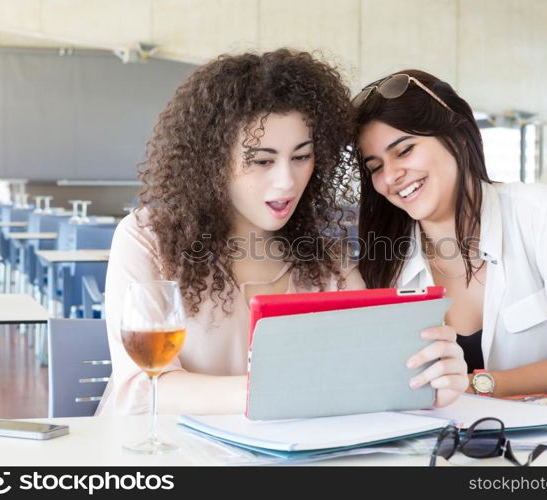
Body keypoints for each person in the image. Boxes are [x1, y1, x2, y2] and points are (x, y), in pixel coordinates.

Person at [97, 52, 466, 416]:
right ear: (212, 161)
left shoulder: (326, 261)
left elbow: (373, 369)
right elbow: (142, 391)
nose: (287, 181)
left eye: (302, 156)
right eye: (262, 161)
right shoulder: (148, 239)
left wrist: (427, 375)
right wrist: (290, 390)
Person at [351, 70, 547, 397]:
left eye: (404, 150)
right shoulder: (386, 262)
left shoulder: (537, 213)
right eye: (375, 166)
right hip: (434, 445)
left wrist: (476, 385)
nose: (391, 175)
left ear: (458, 137)